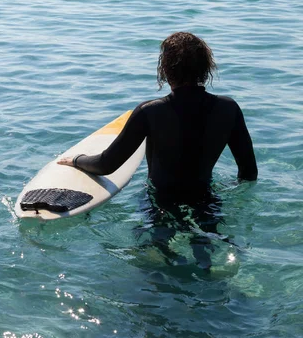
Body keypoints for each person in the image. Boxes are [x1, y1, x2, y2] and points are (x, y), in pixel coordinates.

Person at [57, 32, 257, 269]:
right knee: (206, 257)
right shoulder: (229, 109)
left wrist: (77, 160)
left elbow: (106, 165)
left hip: (159, 203)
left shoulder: (150, 112)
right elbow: (248, 173)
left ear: (165, 69)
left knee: (160, 260)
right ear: (206, 69)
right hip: (206, 200)